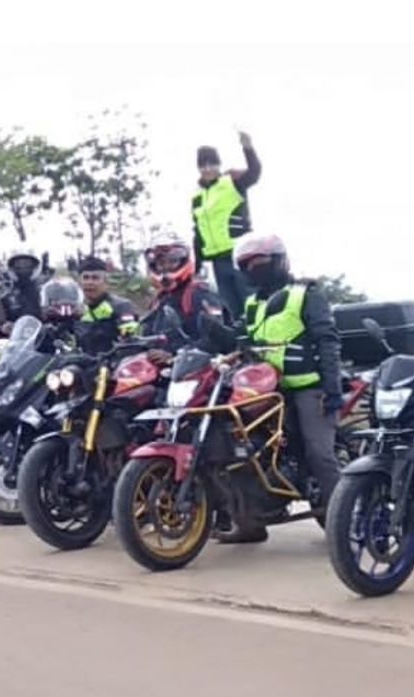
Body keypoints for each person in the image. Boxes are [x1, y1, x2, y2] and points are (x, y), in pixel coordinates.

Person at [206, 233, 342, 544]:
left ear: (280, 261)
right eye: (247, 265)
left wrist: (332, 388)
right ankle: (249, 524)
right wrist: (213, 331)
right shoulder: (253, 303)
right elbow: (242, 340)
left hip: (308, 387)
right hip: (264, 389)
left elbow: (327, 340)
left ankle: (344, 527)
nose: (254, 269)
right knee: (236, 447)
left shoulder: (305, 294)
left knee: (319, 454)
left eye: (260, 262)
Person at [192, 131, 262, 315]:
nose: (208, 169)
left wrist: (248, 148)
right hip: (217, 261)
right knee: (230, 309)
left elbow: (254, 173)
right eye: (203, 165)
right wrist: (196, 267)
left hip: (240, 255)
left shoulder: (232, 182)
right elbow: (198, 232)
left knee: (252, 303)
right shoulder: (197, 196)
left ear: (219, 164)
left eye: (212, 164)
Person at [141, 231, 228, 343]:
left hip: (194, 352)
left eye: (172, 262)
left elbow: (215, 337)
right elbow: (147, 334)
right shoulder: (159, 300)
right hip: (163, 352)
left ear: (183, 261)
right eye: (161, 264)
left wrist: (173, 351)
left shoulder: (199, 293)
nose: (166, 267)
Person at [75, 256, 139, 354]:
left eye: (95, 278)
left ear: (106, 282)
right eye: (85, 278)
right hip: (82, 360)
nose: (89, 282)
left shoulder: (122, 306)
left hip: (114, 360)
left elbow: (130, 341)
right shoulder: (77, 309)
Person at [0, 249, 51, 336]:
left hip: (44, 338)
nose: (23, 270)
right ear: (11, 269)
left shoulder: (45, 292)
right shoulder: (4, 297)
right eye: (18, 267)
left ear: (35, 267)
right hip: (15, 340)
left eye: (27, 267)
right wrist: (3, 328)